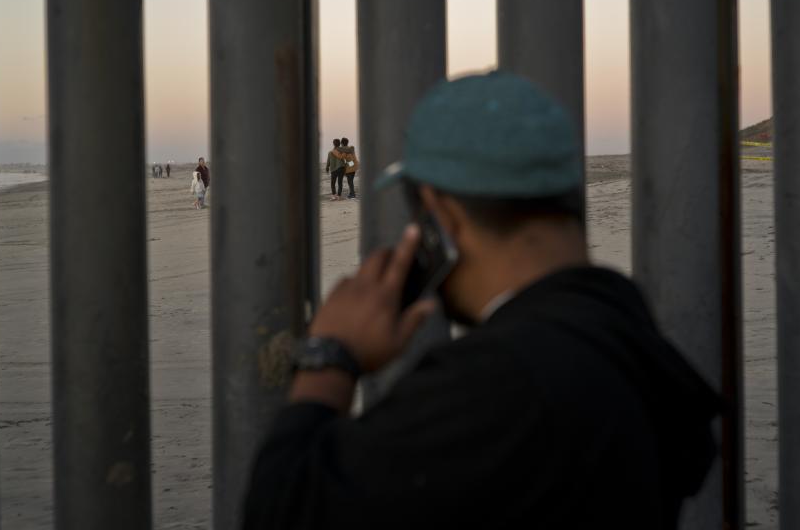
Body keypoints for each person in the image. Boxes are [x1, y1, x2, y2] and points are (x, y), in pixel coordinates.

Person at [241, 72, 719, 528]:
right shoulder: (626, 330)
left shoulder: (504, 380)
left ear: (439, 215)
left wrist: (331, 354)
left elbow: (283, 511)